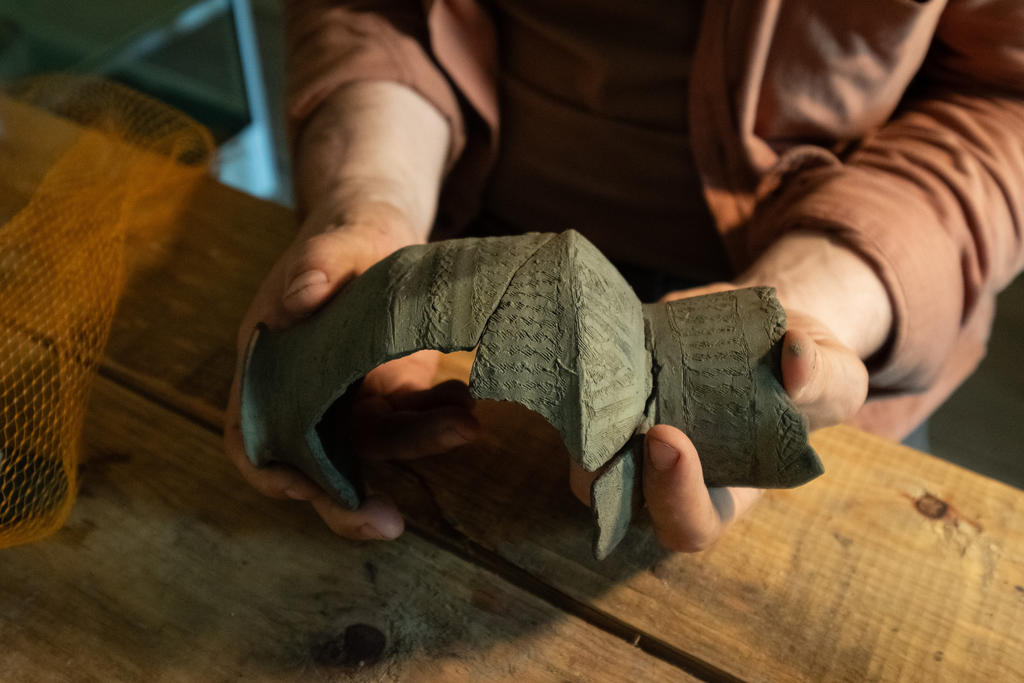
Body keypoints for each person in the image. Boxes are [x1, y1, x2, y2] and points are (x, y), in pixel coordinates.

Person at [224, 0, 1024, 551]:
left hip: (844, 287)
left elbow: (1005, 96)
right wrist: (372, 194)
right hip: (460, 215)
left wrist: (824, 294)